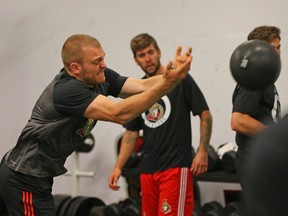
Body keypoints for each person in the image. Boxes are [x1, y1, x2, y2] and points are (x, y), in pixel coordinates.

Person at [0, 34, 193, 215]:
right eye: (96, 62)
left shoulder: (100, 78)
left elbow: (142, 86)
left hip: (38, 176)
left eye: (103, 58)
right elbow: (119, 113)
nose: (104, 65)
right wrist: (166, 85)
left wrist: (172, 76)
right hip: (23, 177)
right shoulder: (66, 90)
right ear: (76, 68)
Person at [108, 33, 212, 216]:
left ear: (159, 52)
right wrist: (118, 166)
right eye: (141, 55)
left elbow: (205, 115)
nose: (147, 59)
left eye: (150, 52)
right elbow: (131, 133)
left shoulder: (180, 79)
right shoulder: (139, 89)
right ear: (135, 60)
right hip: (147, 171)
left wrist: (203, 150)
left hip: (175, 168)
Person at [231, 25, 282, 212]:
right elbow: (238, 120)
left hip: (267, 161)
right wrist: (275, 136)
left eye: (279, 47)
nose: (277, 53)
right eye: (272, 49)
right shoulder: (254, 80)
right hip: (254, 161)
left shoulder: (267, 79)